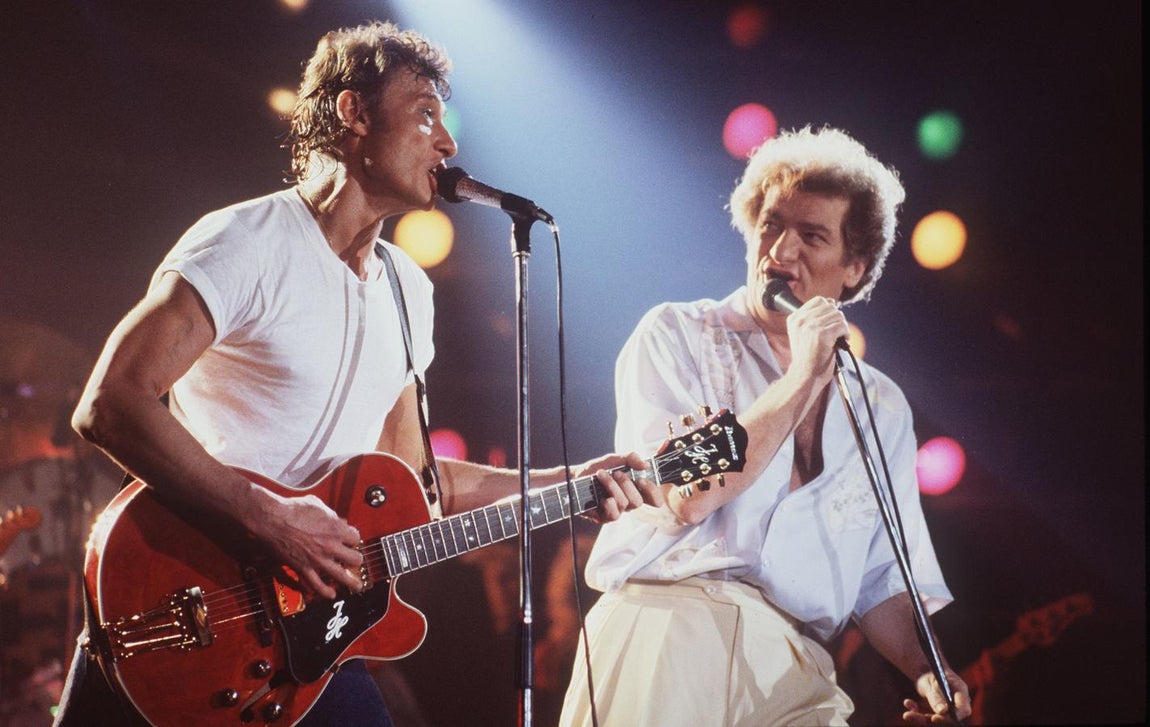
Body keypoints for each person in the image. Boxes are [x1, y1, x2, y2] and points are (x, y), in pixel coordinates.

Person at [53, 20, 653, 727]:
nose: (448, 143)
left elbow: (418, 484)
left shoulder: (408, 289)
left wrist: (570, 482)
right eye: (424, 114)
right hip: (193, 606)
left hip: (313, 636)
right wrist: (272, 520)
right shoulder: (245, 242)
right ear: (354, 113)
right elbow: (110, 403)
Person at [559, 126, 972, 726]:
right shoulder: (677, 334)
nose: (780, 251)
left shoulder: (882, 405)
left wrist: (930, 672)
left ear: (853, 267)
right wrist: (803, 374)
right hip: (668, 626)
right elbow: (687, 495)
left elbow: (883, 579)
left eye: (812, 235)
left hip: (795, 665)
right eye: (771, 225)